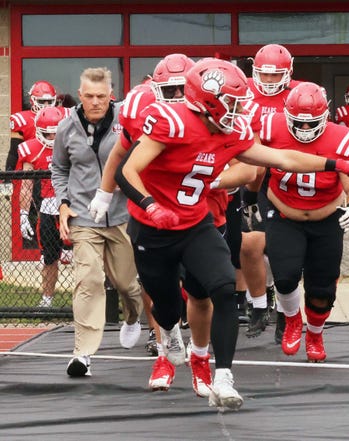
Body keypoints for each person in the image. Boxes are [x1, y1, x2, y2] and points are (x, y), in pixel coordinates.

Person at [114, 58, 349, 411]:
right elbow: (128, 170)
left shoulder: (232, 131)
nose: (239, 109)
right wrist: (150, 205)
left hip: (196, 222)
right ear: (209, 99)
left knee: (223, 288)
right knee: (165, 305)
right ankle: (170, 335)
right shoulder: (171, 120)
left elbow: (282, 158)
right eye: (233, 101)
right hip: (152, 225)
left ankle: (224, 377)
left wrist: (335, 165)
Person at [87, 54, 218, 395]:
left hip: (197, 209)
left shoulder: (211, 105)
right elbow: (121, 153)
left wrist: (215, 178)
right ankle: (165, 349)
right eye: (168, 89)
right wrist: (104, 193)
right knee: (157, 288)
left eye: (181, 89)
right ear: (154, 88)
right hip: (151, 210)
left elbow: (246, 160)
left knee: (202, 289)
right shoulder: (140, 108)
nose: (176, 97)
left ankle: (201, 360)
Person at [260, 81, 349, 362]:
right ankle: (293, 320)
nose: (304, 130)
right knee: (284, 276)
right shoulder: (270, 128)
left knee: (322, 289)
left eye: (312, 124)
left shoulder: (343, 138)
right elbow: (254, 164)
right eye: (298, 124)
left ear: (326, 116)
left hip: (326, 218)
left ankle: (315, 334)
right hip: (284, 213)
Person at [51, 67, 144, 377]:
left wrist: (128, 183)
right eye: (89, 96)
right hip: (83, 215)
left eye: (101, 96)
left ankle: (132, 317)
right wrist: (63, 203)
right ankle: (83, 353)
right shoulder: (66, 126)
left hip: (121, 214)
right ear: (80, 96)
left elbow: (144, 158)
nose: (95, 102)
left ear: (111, 96)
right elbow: (59, 169)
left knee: (126, 284)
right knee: (88, 280)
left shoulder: (126, 120)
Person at [240, 43, 301, 341]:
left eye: (275, 76)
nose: (268, 81)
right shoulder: (241, 88)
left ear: (289, 72)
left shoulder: (301, 92)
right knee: (249, 246)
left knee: (281, 249)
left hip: (286, 174)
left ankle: (283, 310)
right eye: (263, 75)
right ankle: (259, 305)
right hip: (250, 172)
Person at [16, 106, 67, 308]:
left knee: (85, 257)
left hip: (74, 206)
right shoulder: (31, 148)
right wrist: (22, 214)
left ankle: (87, 301)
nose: (53, 136)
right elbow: (26, 185)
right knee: (49, 257)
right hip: (47, 207)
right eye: (48, 132)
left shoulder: (73, 144)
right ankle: (47, 299)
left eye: (56, 131)